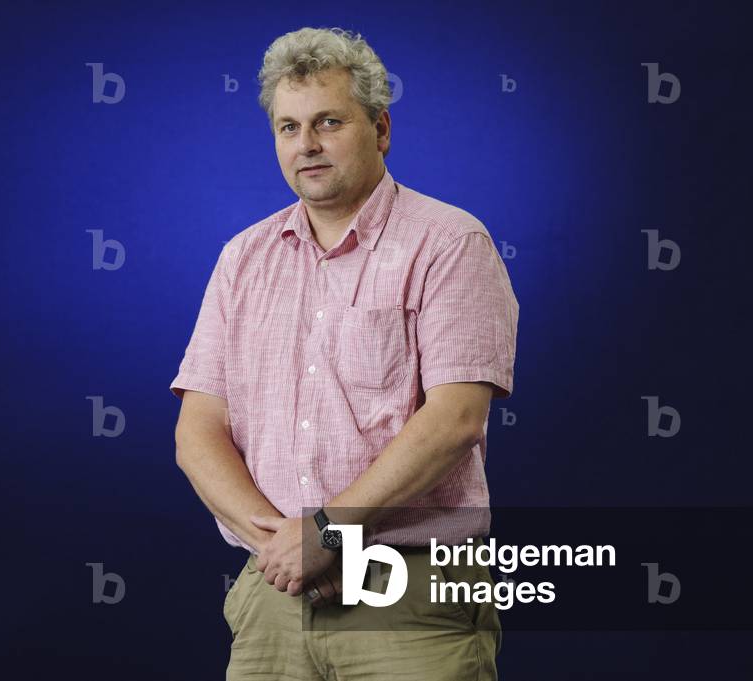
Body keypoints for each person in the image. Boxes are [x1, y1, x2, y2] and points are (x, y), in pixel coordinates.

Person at [170, 26, 519, 680]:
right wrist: (284, 544)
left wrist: (328, 533)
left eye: (328, 122)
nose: (306, 144)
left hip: (407, 593)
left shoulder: (448, 243)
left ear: (380, 129)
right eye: (288, 127)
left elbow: (453, 419)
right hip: (274, 595)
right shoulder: (242, 258)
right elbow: (197, 430)